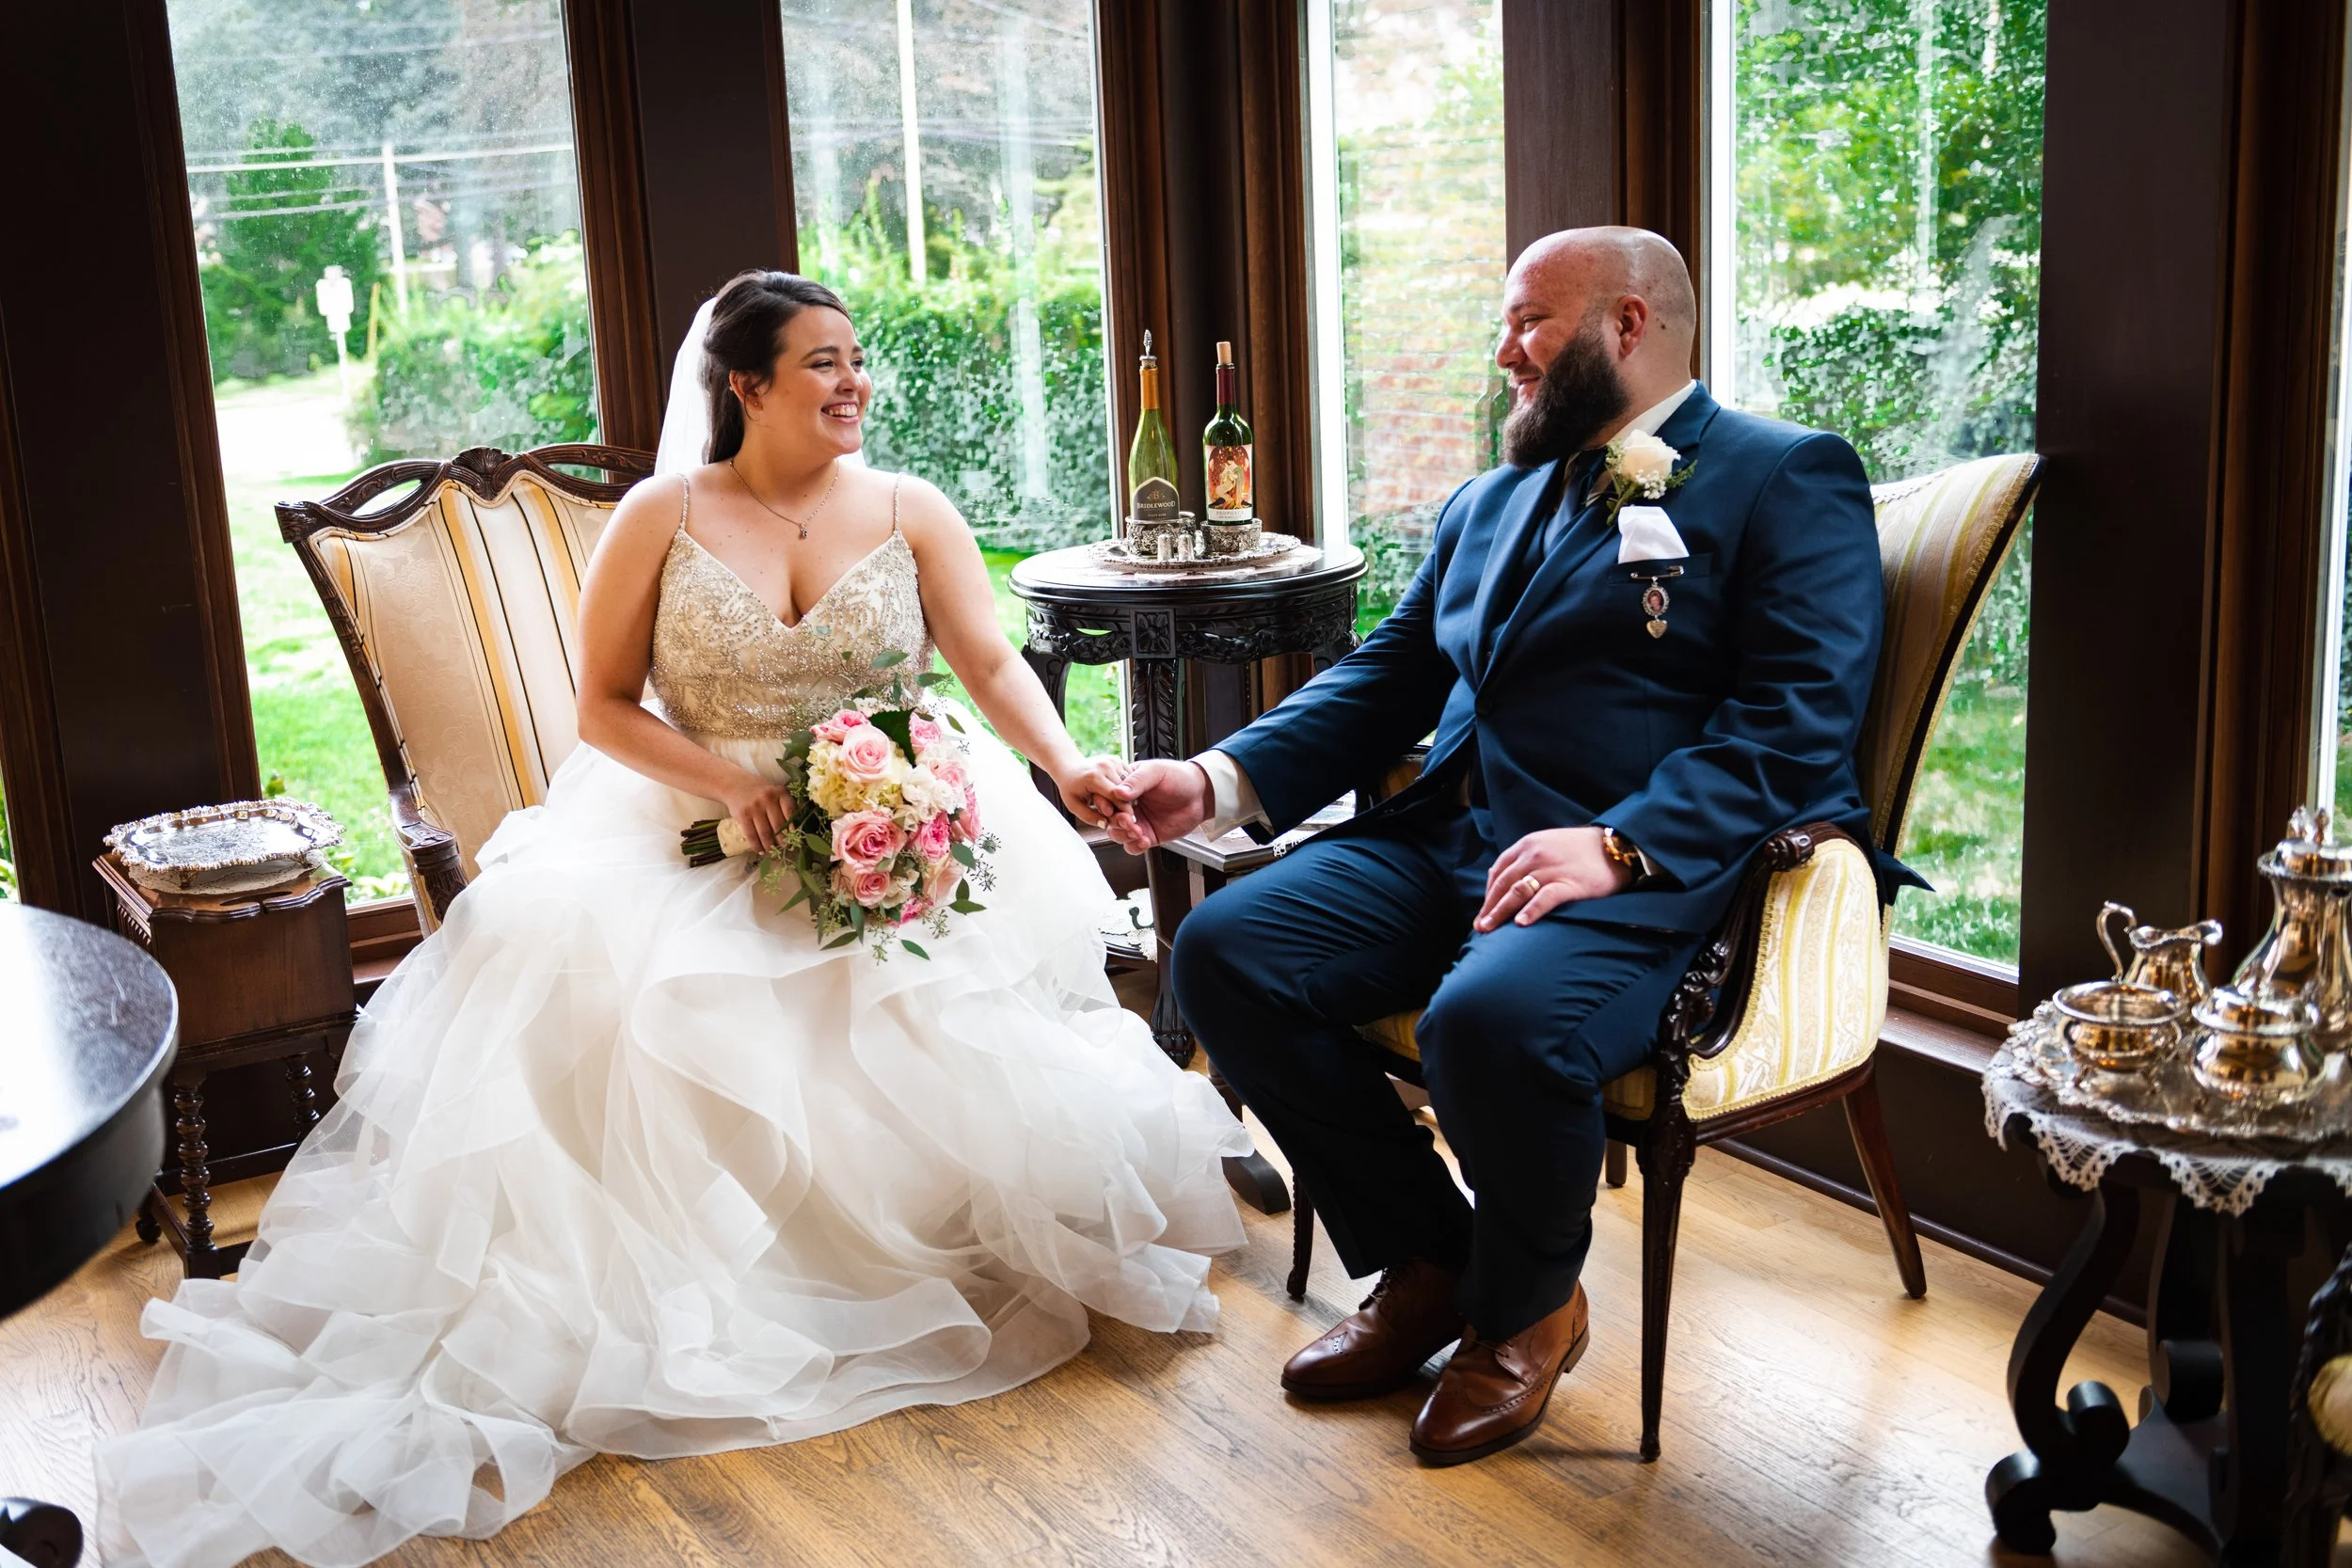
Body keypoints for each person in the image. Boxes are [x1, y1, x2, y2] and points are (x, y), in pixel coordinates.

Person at [98, 270, 1248, 1568]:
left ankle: (918, 1258)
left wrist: (1065, 767)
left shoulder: (910, 509)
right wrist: (734, 784)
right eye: (824, 363)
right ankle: (721, 1294)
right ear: (746, 384)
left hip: (892, 818)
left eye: (858, 359)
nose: (856, 382)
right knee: (648, 1004)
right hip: (693, 827)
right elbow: (599, 706)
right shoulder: (661, 516)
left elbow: (985, 665)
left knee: (941, 1018)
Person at [1110, 227, 1915, 1465]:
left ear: (1630, 325)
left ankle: (1529, 1306)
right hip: (1454, 838)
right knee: (1225, 949)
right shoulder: (1490, 498)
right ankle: (1433, 1257)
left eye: (1529, 323)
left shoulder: (1782, 476)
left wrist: (1622, 843)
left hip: (1649, 875)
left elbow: (1798, 717)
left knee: (1490, 1023)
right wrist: (1215, 778)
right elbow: (1387, 676)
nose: (1503, 354)